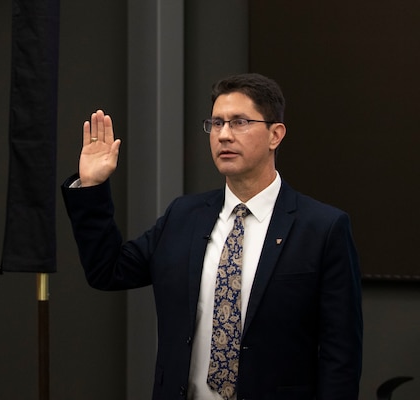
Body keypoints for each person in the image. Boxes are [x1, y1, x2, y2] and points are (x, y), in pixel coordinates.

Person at [61, 73, 362, 400]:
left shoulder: (322, 228)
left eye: (239, 122)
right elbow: (107, 270)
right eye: (216, 124)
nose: (224, 135)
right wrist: (92, 186)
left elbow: (340, 354)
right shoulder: (184, 216)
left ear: (275, 134)